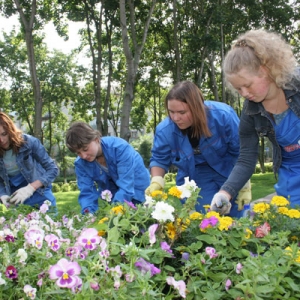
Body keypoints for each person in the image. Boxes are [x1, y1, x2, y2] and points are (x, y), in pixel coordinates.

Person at [210, 28, 300, 215]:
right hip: (291, 177)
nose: (244, 94)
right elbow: (246, 158)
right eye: (238, 89)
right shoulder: (251, 111)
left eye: (247, 85)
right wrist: (225, 192)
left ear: (265, 70)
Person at [146, 80, 243, 217]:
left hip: (229, 171)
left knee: (239, 217)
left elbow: (242, 151)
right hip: (194, 178)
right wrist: (157, 180)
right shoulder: (164, 130)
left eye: (181, 112)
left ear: (197, 107)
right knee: (206, 218)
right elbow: (159, 159)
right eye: (171, 112)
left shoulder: (223, 116)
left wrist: (243, 183)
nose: (175, 118)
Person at [65, 121, 150, 214]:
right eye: (78, 153)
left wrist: (114, 212)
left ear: (96, 140)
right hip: (113, 195)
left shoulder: (120, 148)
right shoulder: (81, 164)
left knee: (143, 220)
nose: (83, 156)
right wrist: (88, 215)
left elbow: (126, 187)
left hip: (138, 189)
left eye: (85, 149)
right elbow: (87, 193)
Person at [0, 112, 58, 209]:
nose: (1, 140)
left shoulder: (29, 142)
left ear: (10, 130)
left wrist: (30, 188)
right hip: (17, 198)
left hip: (41, 194)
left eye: (4, 134)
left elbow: (53, 169)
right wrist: (2, 194)